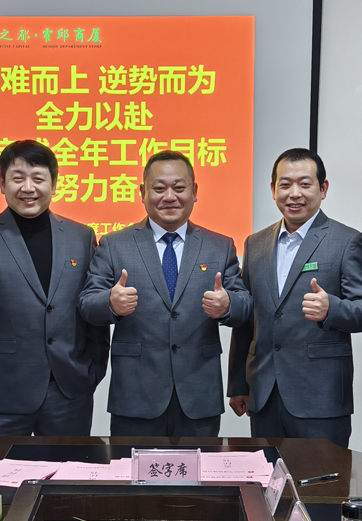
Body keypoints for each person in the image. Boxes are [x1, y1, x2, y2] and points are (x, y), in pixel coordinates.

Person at [78, 150, 250, 437]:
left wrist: (228, 305)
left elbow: (244, 304)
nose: (169, 197)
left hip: (198, 394)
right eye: (159, 188)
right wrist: (110, 303)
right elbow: (86, 302)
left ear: (195, 192)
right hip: (135, 395)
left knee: (199, 467)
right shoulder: (114, 244)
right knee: (131, 467)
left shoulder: (220, 246)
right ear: (142, 193)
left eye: (179, 187)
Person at [0, 140, 109, 436]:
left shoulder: (82, 236)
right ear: (2, 183)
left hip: (68, 390)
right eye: (18, 178)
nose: (28, 188)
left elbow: (91, 306)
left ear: (54, 184)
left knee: (68, 465)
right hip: (3, 391)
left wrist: (94, 369)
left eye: (38, 178)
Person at [227, 148, 362, 447]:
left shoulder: (347, 241)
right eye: (285, 184)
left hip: (320, 397)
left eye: (305, 184)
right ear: (273, 190)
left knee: (323, 478)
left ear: (323, 189)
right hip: (264, 393)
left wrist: (332, 308)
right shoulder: (255, 244)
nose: (294, 193)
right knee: (268, 474)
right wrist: (238, 384)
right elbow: (247, 321)